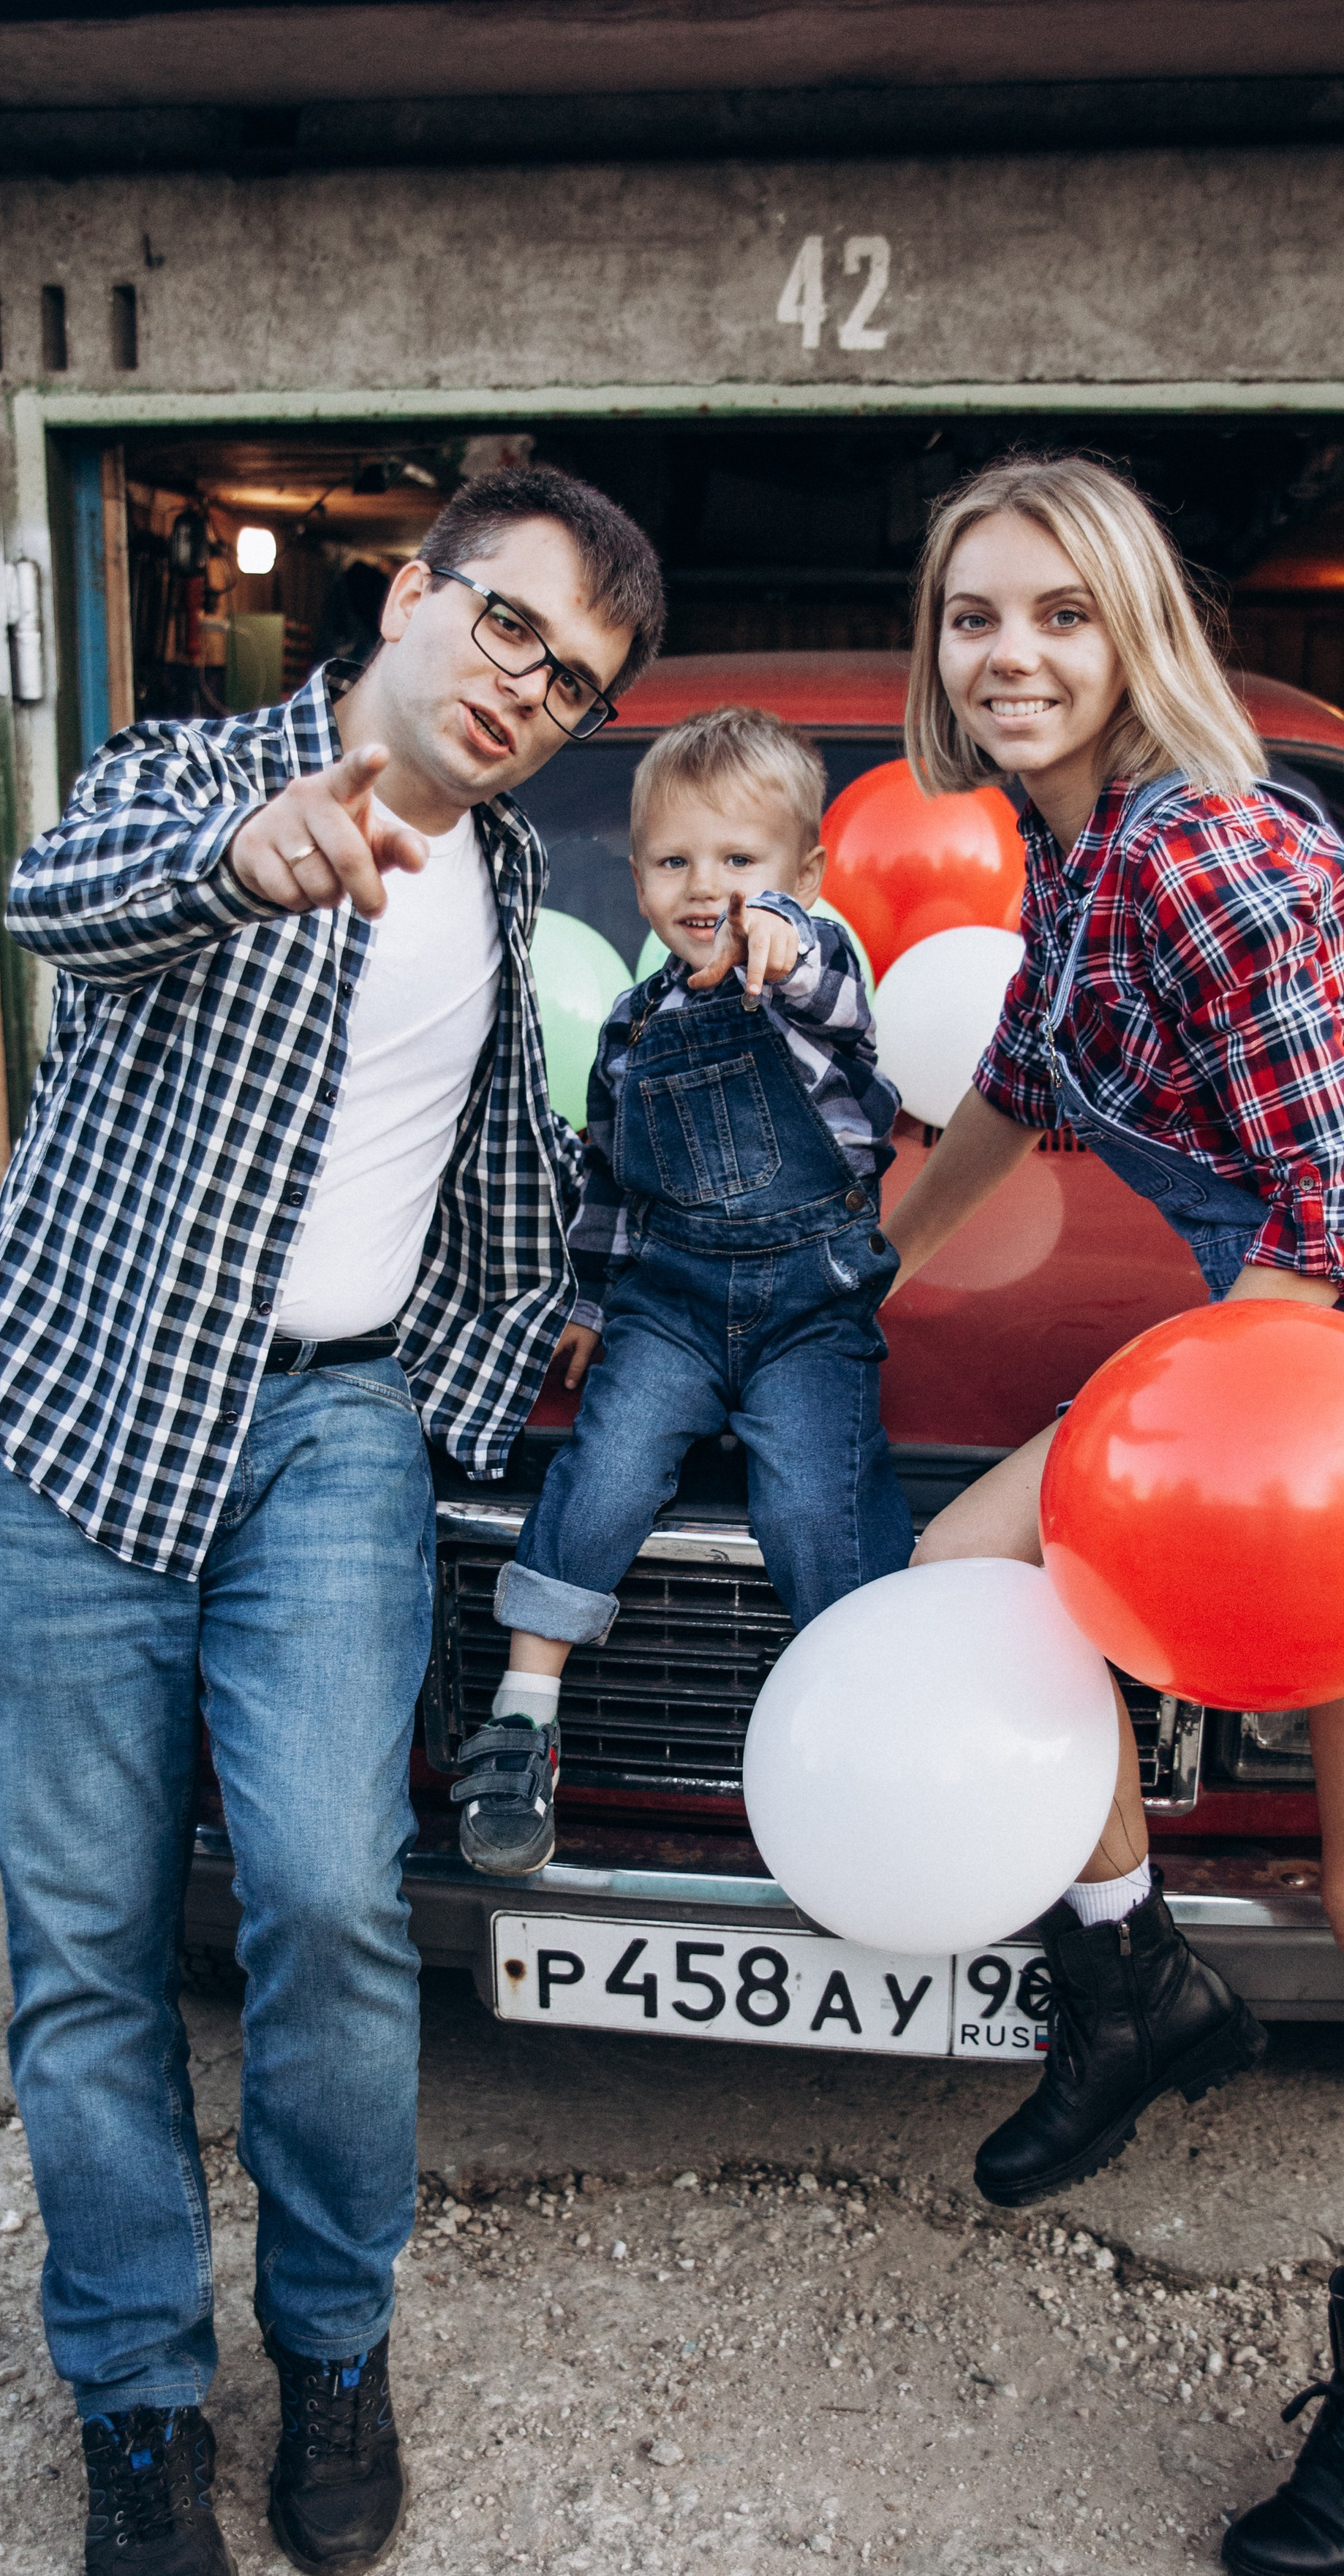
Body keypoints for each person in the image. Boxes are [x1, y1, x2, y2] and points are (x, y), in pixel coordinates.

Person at [0, 466, 665, 2576]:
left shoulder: (520, 879)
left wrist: (449, 1385)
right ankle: (138, 2405)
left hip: (332, 1433)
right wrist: (246, 864)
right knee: (88, 1952)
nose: (537, 692)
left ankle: (334, 2346)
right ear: (417, 594)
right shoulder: (194, 778)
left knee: (338, 1897)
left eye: (583, 680)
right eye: (515, 633)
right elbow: (68, 894)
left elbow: (502, 1184)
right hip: (81, 1420)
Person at [883, 452, 1344, 2576]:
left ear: (1135, 633)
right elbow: (1023, 1090)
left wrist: (1179, 1461)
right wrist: (865, 1253)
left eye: (1061, 615)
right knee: (962, 1578)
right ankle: (1130, 1972)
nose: (1013, 655)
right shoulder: (1073, 868)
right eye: (979, 614)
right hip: (1291, 1342)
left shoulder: (1210, 845)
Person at [454, 706, 915, 1877]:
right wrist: (592, 1305)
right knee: (602, 1471)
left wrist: (784, 942)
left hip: (810, 1306)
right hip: (668, 1301)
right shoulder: (628, 1025)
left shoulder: (812, 977)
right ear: (639, 880)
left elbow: (832, 990)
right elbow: (611, 1183)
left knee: (818, 1506)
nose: (705, 886)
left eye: (739, 861)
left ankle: (857, 1737)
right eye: (674, 861)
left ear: (803, 875)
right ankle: (524, 1717)